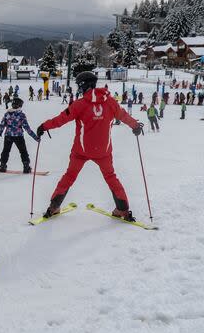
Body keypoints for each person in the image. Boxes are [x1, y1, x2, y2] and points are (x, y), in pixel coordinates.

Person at [37, 71, 143, 222]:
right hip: (103, 152)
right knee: (111, 177)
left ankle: (54, 207)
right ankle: (123, 209)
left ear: (83, 85)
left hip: (81, 151)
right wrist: (135, 125)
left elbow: (61, 119)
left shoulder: (79, 104)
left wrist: (44, 126)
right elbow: (123, 115)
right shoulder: (111, 102)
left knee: (69, 176)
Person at [0, 97, 38, 173]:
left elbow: (2, 125)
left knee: (6, 150)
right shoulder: (21, 115)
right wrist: (35, 137)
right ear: (19, 105)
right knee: (23, 151)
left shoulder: (7, 114)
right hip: (18, 136)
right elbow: (27, 128)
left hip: (8, 135)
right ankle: (26, 167)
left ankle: (2, 165)